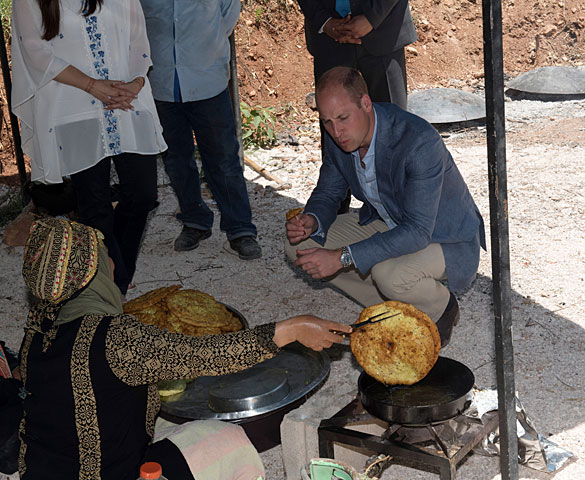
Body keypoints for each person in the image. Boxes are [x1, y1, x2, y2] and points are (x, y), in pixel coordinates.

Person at [18, 217, 350, 479]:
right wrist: (291, 329)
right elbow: (206, 354)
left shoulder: (36, 332)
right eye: (102, 255)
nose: (112, 261)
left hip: (41, 470)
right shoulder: (115, 337)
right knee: (229, 440)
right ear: (89, 272)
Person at [285, 67, 486, 347]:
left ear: (366, 103)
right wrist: (313, 219)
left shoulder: (418, 140)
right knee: (301, 245)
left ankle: (442, 306)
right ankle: (395, 307)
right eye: (327, 122)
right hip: (390, 220)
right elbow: (329, 192)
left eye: (343, 118)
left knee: (390, 274)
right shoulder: (337, 134)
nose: (336, 131)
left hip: (445, 237)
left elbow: (417, 231)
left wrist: (343, 256)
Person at [11, 0, 168, 298]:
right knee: (94, 207)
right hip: (72, 107)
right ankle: (114, 286)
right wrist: (91, 86)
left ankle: (113, 273)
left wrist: (135, 83)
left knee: (144, 194)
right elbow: (34, 51)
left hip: (125, 98)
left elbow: (138, 37)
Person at [138, 0, 261, 259]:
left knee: (223, 159)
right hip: (161, 81)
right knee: (176, 160)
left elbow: (229, 12)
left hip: (207, 79)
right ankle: (195, 220)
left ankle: (240, 228)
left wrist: (207, 50)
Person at [296, 0, 417, 110]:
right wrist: (324, 22)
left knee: (391, 121)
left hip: (384, 30)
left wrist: (373, 17)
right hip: (328, 37)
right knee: (335, 124)